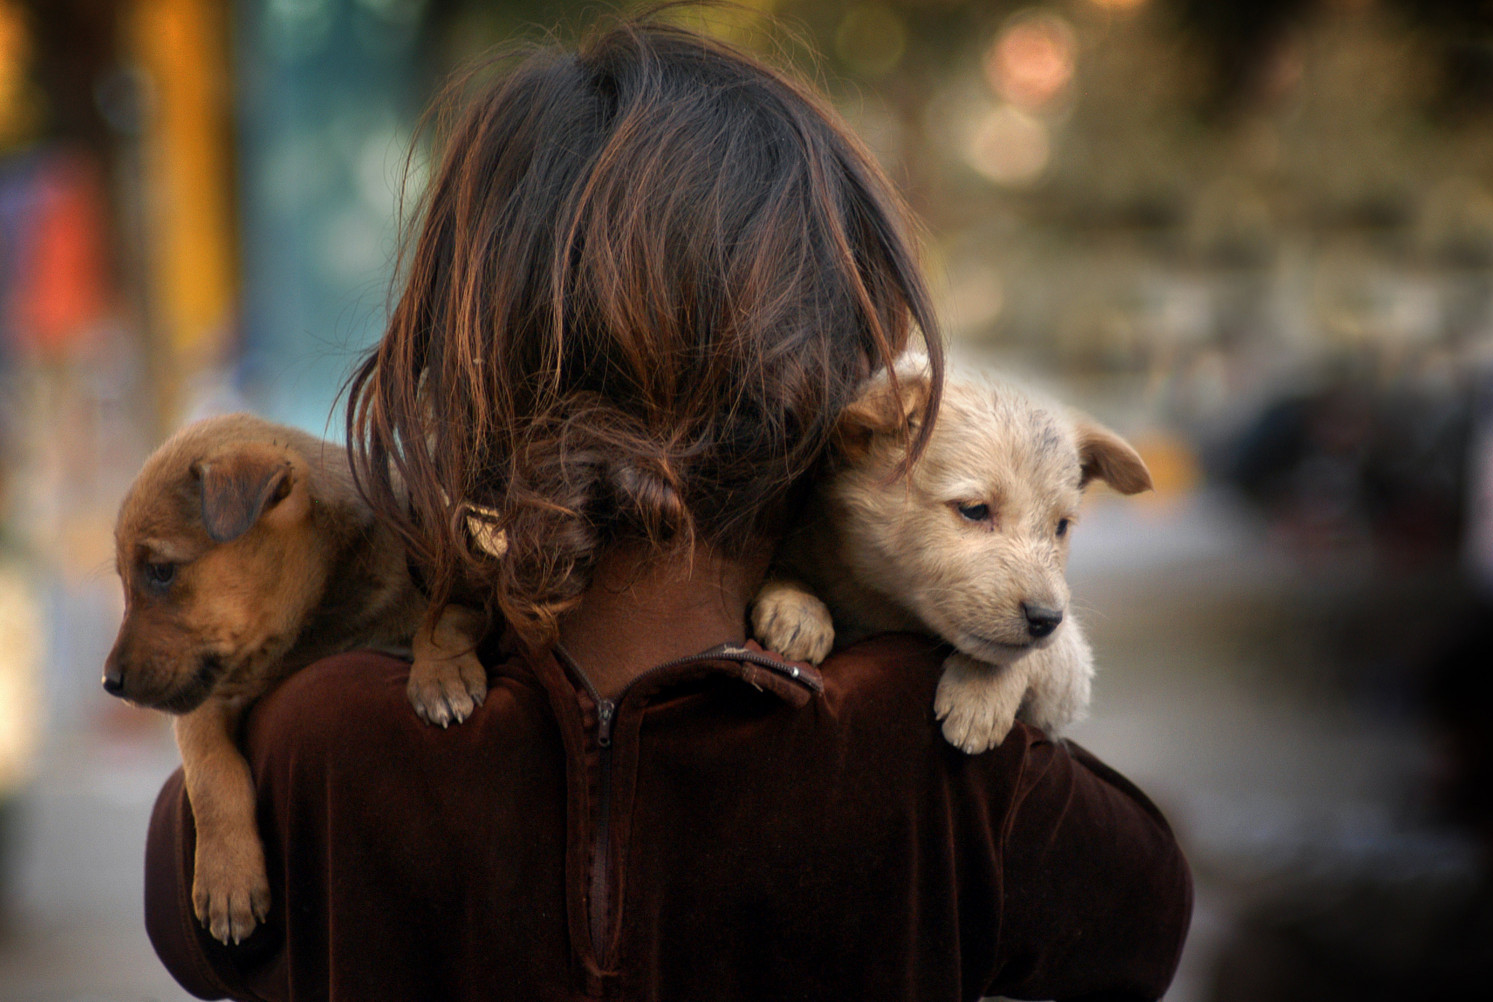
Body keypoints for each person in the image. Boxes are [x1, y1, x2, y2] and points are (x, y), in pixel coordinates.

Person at [144, 16, 1191, 1001]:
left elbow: (182, 928)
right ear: (829, 401)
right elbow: (1147, 915)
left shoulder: (319, 745)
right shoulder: (940, 757)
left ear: (466, 376)